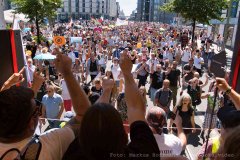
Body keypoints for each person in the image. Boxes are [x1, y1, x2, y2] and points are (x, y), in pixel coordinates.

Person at [62, 49, 160, 160]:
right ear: (122, 133)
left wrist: (106, 91)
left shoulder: (73, 153)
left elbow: (82, 114)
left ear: (84, 133)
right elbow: (136, 108)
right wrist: (127, 74)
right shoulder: (141, 152)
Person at [0, 53, 89, 160]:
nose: (39, 111)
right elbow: (84, 116)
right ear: (31, 124)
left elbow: (5, 106)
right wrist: (67, 72)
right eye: (37, 110)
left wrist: (7, 85)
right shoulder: (49, 143)